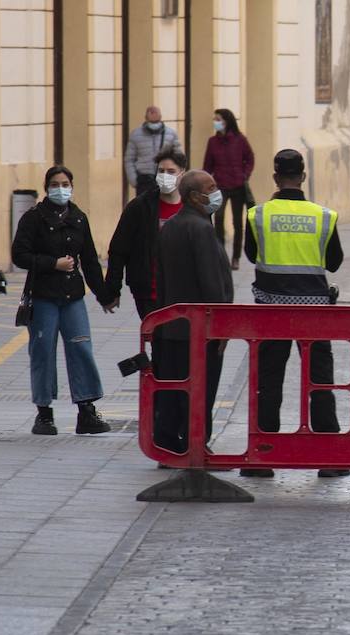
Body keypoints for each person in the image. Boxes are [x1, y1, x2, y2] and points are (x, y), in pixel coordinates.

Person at [242, 148, 349, 479]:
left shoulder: (257, 215)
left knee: (269, 379)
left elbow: (251, 254)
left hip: (271, 310)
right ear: (303, 177)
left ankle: (263, 456)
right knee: (319, 380)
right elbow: (333, 263)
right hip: (315, 310)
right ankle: (329, 458)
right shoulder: (324, 216)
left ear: (275, 178)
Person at [11, 165, 115, 436]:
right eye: (55, 184)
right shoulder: (34, 218)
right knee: (43, 352)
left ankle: (86, 410)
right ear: (47, 188)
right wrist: (51, 263)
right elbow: (19, 255)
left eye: (65, 183)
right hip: (43, 295)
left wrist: (104, 295)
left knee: (81, 348)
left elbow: (90, 260)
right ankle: (44, 414)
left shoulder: (79, 218)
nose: (60, 188)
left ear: (72, 185)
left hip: (72, 297)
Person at [104, 147, 195, 451]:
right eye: (161, 170)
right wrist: (111, 290)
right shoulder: (141, 208)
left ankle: (173, 419)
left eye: (171, 171)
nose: (165, 176)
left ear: (183, 173)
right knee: (164, 355)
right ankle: (163, 420)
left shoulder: (192, 208)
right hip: (151, 294)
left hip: (183, 298)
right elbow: (119, 250)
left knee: (177, 359)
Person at [152, 170, 231, 452]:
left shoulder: (170, 226)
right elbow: (212, 283)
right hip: (201, 331)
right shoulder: (202, 229)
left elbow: (160, 281)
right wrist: (221, 326)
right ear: (195, 196)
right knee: (201, 390)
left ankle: (169, 444)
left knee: (174, 390)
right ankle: (197, 445)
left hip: (172, 327)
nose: (216, 191)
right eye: (211, 187)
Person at [202, 108, 256, 268]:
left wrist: (245, 174)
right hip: (220, 186)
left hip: (238, 185)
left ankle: (236, 257)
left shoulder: (240, 139)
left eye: (218, 119)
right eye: (215, 119)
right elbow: (207, 165)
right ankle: (221, 254)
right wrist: (205, 182)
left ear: (226, 121)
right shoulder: (212, 141)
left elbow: (250, 158)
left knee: (237, 223)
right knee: (217, 218)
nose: (215, 122)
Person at [125, 106, 183, 196]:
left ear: (160, 116)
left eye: (155, 112)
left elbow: (179, 158)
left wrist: (176, 177)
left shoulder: (171, 134)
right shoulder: (135, 135)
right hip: (144, 180)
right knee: (144, 209)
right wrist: (134, 180)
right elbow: (129, 159)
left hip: (165, 179)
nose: (153, 115)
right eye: (151, 113)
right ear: (146, 117)